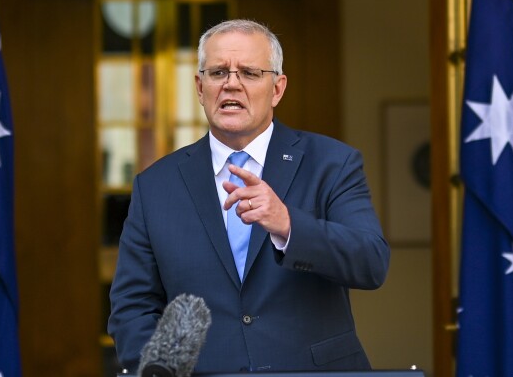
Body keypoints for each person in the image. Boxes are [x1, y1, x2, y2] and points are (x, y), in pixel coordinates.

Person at [108, 19, 390, 373]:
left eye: (250, 73)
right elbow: (133, 307)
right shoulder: (155, 186)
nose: (231, 85)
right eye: (218, 72)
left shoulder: (332, 163)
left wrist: (288, 226)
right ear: (199, 86)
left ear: (277, 88)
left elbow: (371, 263)